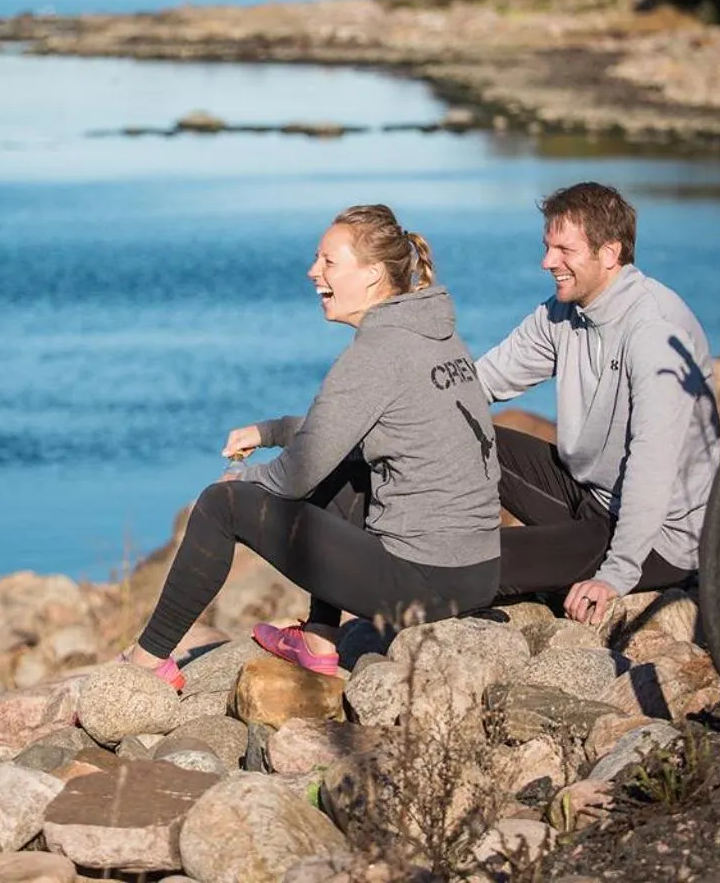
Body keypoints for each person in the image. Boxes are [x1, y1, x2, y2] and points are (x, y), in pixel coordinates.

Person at [122, 204, 501, 687]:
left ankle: (147, 660)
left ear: (371, 275)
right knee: (345, 470)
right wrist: (273, 431)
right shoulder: (434, 335)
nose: (312, 272)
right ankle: (320, 641)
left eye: (328, 262)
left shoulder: (375, 355)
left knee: (223, 506)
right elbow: (348, 429)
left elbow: (297, 475)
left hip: (425, 584)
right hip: (474, 572)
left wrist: (244, 480)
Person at [475, 182, 720, 626]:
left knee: (477, 565)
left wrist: (616, 574)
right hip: (590, 496)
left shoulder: (654, 332)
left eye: (563, 250)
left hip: (660, 538)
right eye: (548, 247)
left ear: (610, 253)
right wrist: (408, 409)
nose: (548, 262)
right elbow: (483, 381)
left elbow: (653, 462)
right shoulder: (564, 313)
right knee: (467, 435)